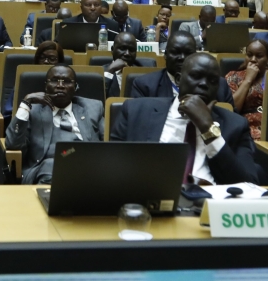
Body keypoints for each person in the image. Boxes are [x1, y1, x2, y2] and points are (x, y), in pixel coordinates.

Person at [111, 53, 259, 185]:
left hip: (208, 202)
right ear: (178, 79)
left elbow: (249, 185)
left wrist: (208, 128)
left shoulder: (236, 125)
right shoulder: (136, 111)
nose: (204, 84)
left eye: (212, 81)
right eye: (196, 76)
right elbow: (113, 168)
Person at [7, 65, 105, 184]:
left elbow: (109, 143)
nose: (60, 85)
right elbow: (13, 144)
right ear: (46, 86)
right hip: (47, 170)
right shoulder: (32, 111)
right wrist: (26, 102)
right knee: (51, 165)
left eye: (67, 81)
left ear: (75, 87)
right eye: (54, 81)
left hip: (87, 167)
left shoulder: (92, 108)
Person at [129, 32, 236, 106]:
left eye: (188, 53)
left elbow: (232, 121)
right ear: (165, 54)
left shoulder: (219, 85)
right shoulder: (145, 85)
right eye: (176, 52)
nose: (182, 58)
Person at [225, 39, 268, 140]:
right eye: (249, 55)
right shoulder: (233, 77)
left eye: (259, 56)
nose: (253, 59)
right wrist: (248, 80)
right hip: (245, 128)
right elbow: (232, 109)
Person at [102, 32, 147, 98]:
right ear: (112, 49)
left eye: (131, 50)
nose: (127, 53)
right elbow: (96, 98)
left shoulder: (142, 74)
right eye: (122, 48)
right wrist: (110, 71)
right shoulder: (101, 72)